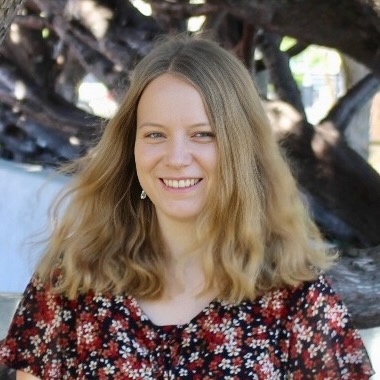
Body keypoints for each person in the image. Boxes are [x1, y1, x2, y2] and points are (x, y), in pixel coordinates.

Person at [0, 34, 374, 380]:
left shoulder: (296, 298)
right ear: (131, 149)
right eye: (155, 135)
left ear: (240, 150)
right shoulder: (71, 281)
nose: (176, 158)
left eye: (202, 134)